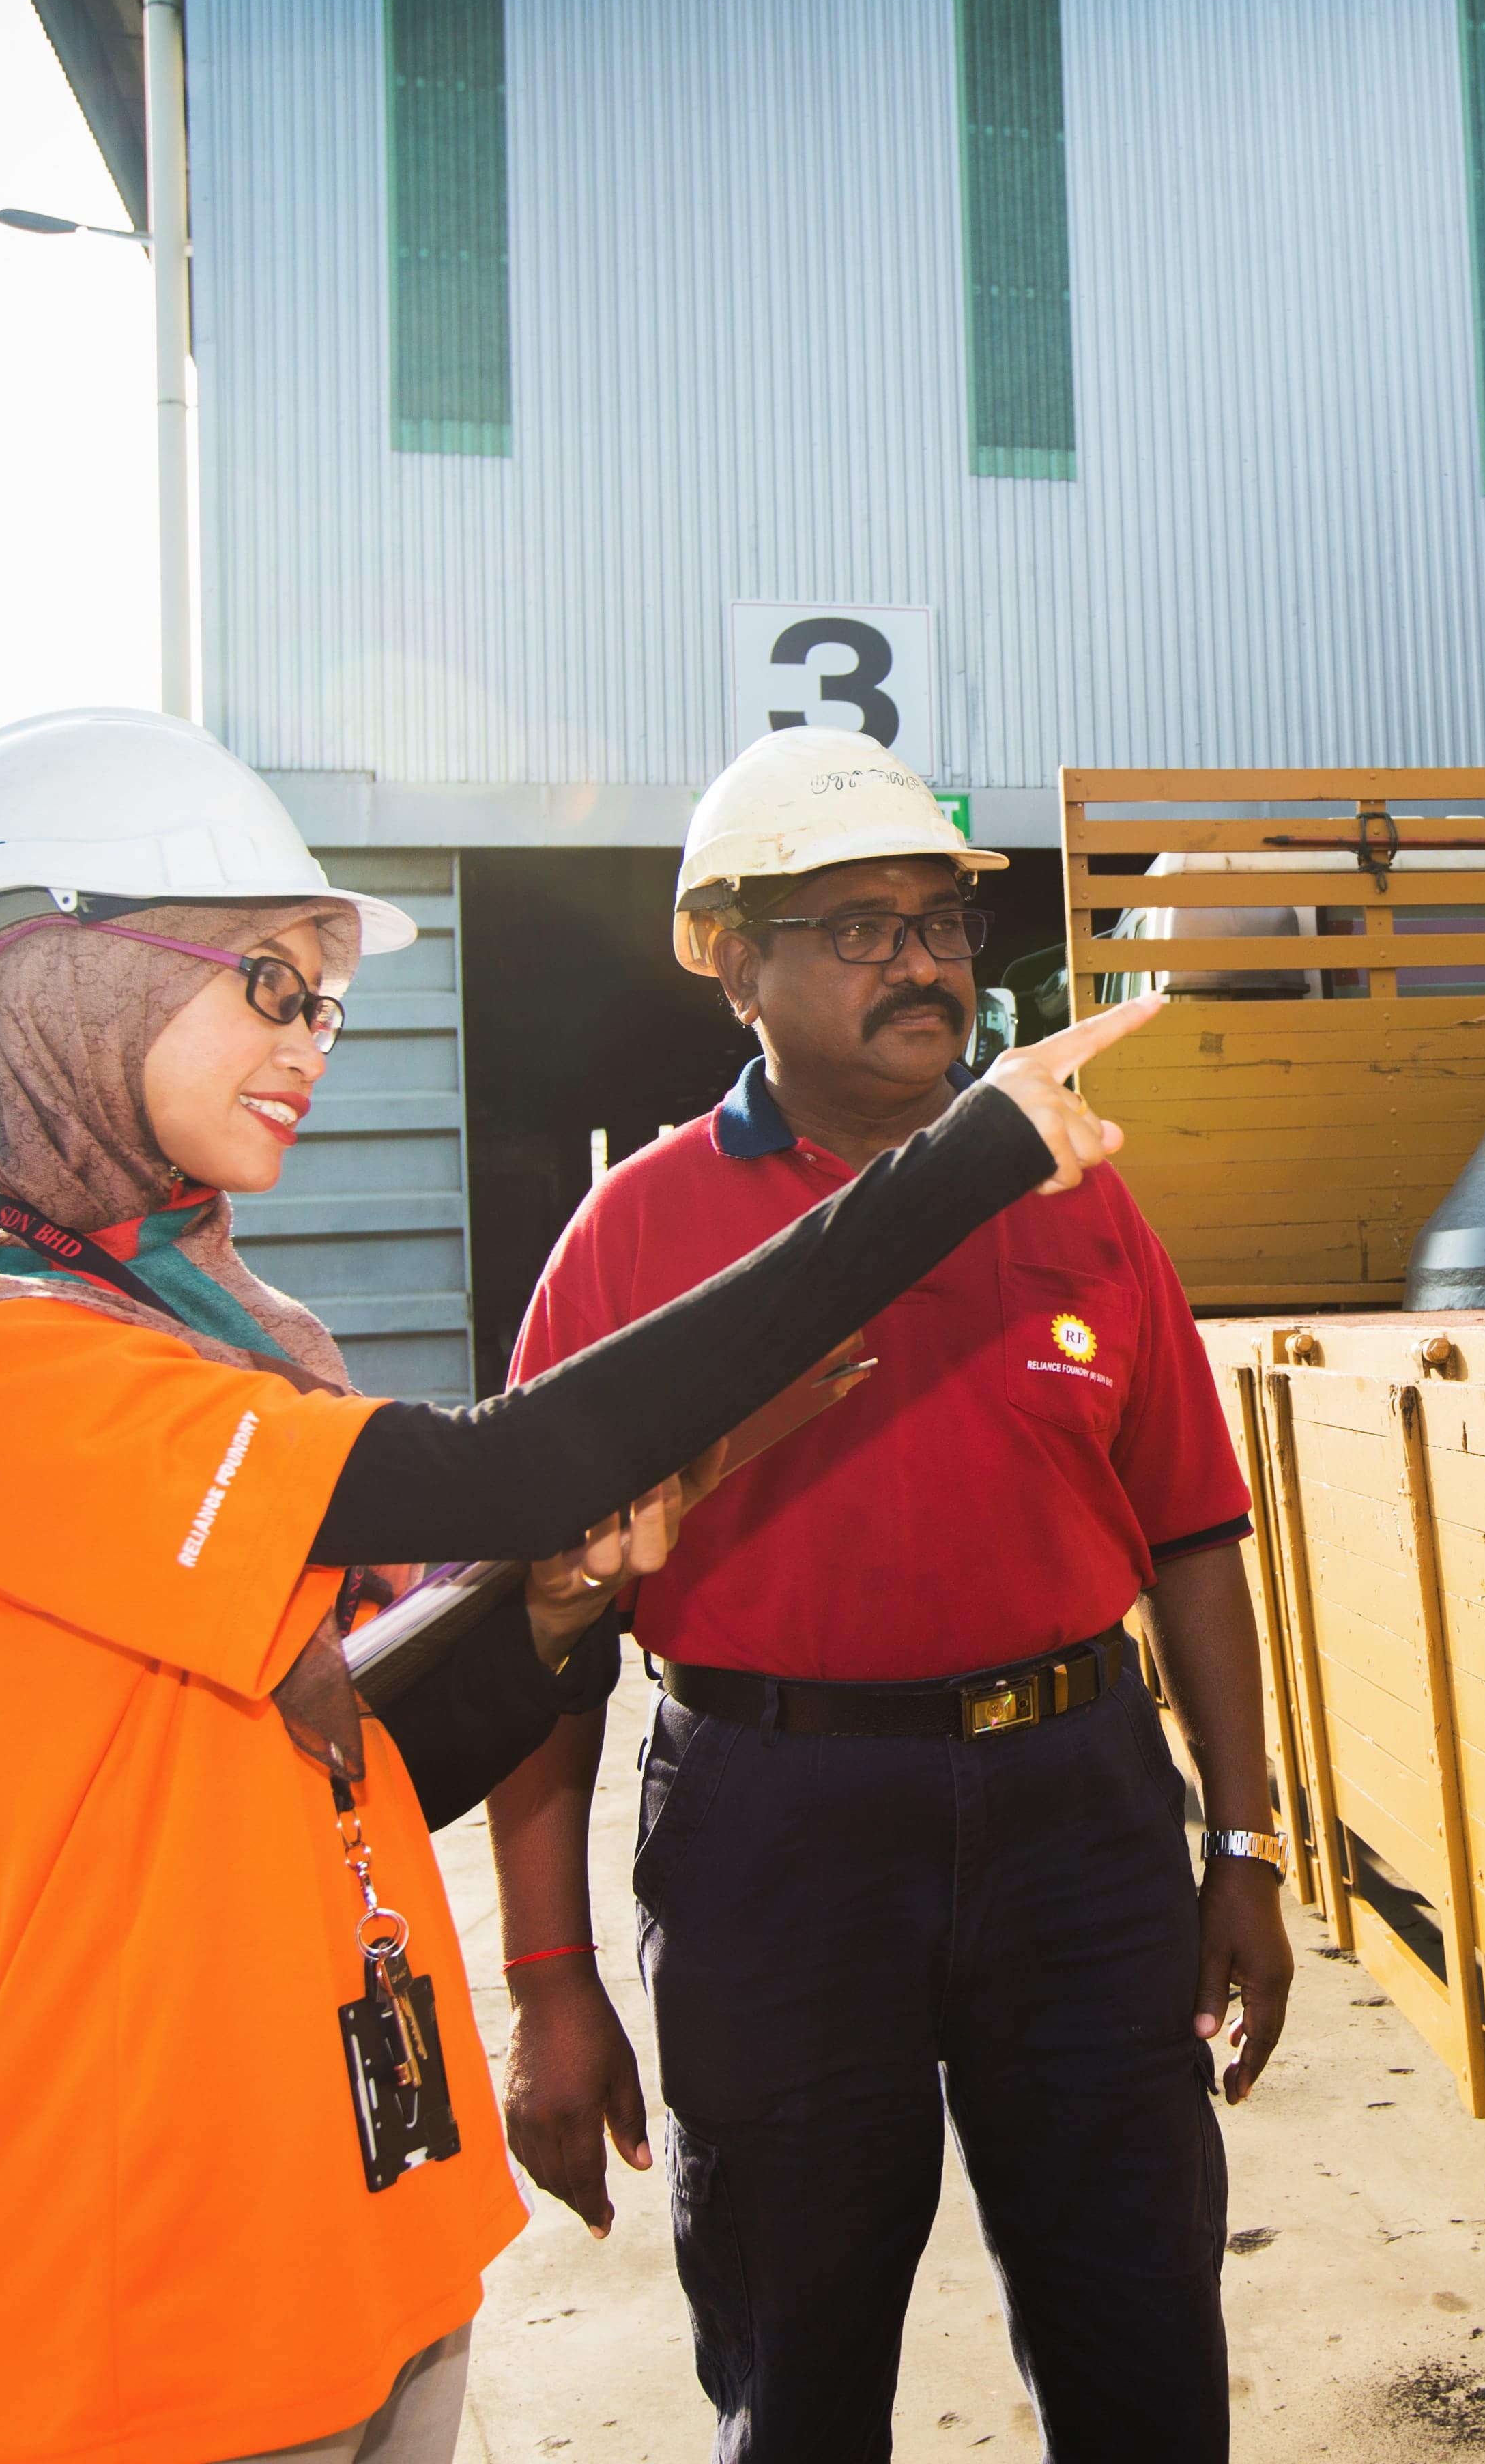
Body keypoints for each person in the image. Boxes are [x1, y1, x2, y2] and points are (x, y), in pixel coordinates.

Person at [0, 708, 1158, 2464]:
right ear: (62, 979)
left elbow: (345, 1759)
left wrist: (543, 1611)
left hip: (334, 2238)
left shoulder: (207, 1346)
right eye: (264, 982)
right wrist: (971, 1157)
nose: (309, 1044)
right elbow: (511, 1466)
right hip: (148, 2295)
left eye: (320, 996)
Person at [485, 730, 1296, 2464]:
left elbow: (1193, 1535)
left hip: (1080, 1816)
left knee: (1144, 2346)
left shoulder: (1081, 1200)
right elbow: (538, 1646)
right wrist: (549, 1970)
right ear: (736, 964)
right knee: (799, 2370)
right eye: (860, 925)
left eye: (940, 921)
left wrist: (1242, 1843)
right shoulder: (630, 1240)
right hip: (775, 1837)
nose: (925, 961)